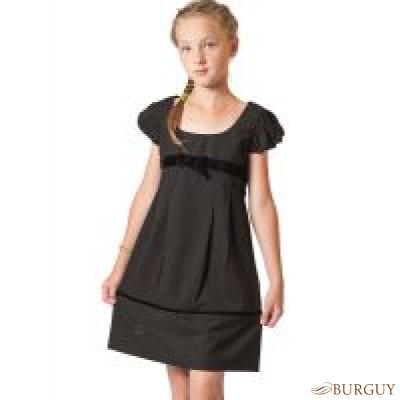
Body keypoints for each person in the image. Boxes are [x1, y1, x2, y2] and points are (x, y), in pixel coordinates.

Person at [102, 0, 285, 398]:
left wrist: (276, 279)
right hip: (166, 266)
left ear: (233, 46)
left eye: (209, 45)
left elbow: (262, 203)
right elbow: (146, 192)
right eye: (186, 48)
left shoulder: (254, 123)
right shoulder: (165, 116)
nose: (198, 58)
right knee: (181, 387)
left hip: (223, 273)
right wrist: (120, 265)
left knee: (205, 386)